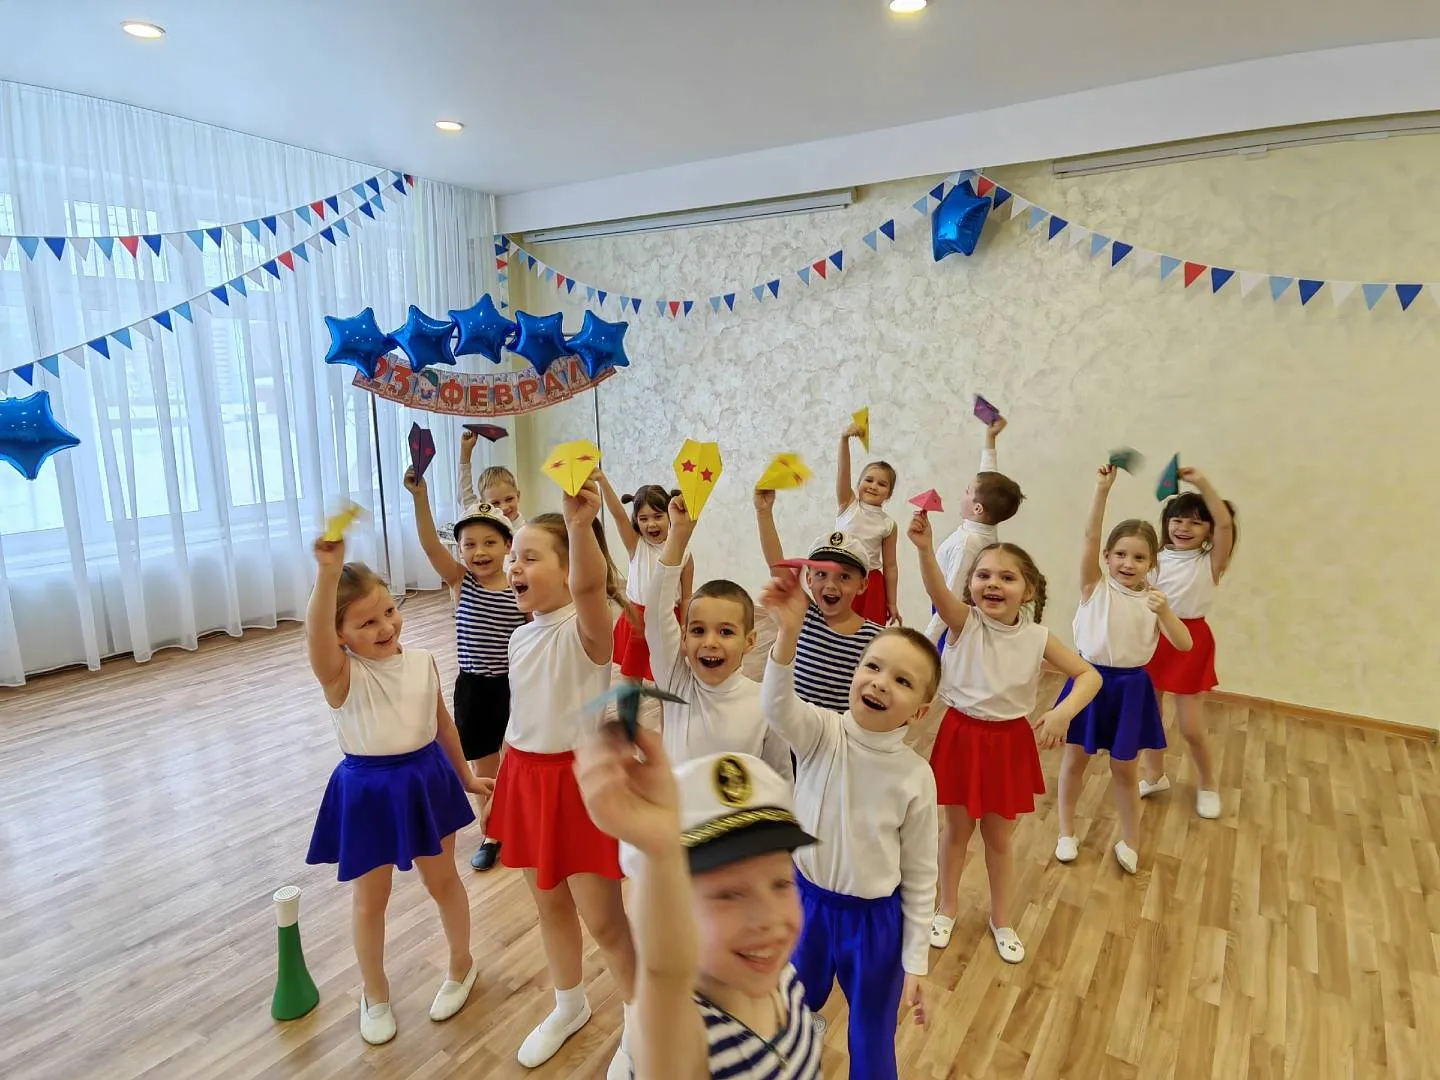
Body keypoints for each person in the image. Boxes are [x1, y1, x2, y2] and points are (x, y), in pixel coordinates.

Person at [303, 541, 491, 1045]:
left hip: (427, 779)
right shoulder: (340, 675)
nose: (385, 627)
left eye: (389, 611)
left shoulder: (423, 661)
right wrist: (327, 575)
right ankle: (375, 992)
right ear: (339, 636)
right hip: (367, 791)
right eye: (366, 623)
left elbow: (442, 723)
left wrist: (466, 776)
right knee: (371, 899)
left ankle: (462, 964)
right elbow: (315, 637)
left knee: (443, 881)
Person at [483, 481, 638, 1076]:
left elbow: (591, 587)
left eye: (529, 557)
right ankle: (569, 1004)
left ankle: (641, 1024)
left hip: (576, 786)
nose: (513, 567)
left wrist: (577, 526)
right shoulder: (520, 635)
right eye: (512, 558)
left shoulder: (586, 630)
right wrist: (501, 778)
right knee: (548, 903)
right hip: (526, 778)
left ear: (569, 569)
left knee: (604, 920)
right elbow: (521, 716)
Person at [758, 569, 937, 1080]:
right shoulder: (821, 732)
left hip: (874, 924)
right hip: (807, 905)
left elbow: (921, 874)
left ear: (919, 711)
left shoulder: (915, 777)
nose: (880, 682)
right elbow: (776, 706)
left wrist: (916, 960)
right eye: (873, 666)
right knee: (789, 1011)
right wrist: (787, 633)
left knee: (871, 1037)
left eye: (902, 681)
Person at [575, 737, 823, 1080]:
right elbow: (663, 973)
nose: (768, 917)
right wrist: (660, 848)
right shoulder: (688, 1041)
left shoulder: (784, 977)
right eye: (728, 895)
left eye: (781, 884)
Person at [910, 521, 1100, 961]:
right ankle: (946, 907)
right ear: (970, 585)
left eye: (1006, 577)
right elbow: (938, 590)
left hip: (1009, 743)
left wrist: (1063, 712)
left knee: (999, 838)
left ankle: (1001, 919)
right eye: (983, 575)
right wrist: (924, 549)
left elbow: (1089, 676)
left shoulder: (1037, 637)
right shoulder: (963, 622)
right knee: (956, 831)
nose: (993, 583)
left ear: (1028, 591)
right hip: (962, 736)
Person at [1054, 465, 1193, 875]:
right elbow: (1089, 536)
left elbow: (1184, 644)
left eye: (1139, 557)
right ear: (1106, 557)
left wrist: (1165, 611)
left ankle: (1131, 840)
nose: (1128, 563)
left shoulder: (1154, 600)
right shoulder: (1093, 587)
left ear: (1151, 562)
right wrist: (1102, 489)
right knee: (1074, 762)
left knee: (1124, 770)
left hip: (1131, 688)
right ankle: (1066, 831)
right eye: (1120, 554)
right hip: (1088, 681)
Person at [404, 467, 527, 871]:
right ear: (459, 551)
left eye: (490, 542)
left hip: (514, 687)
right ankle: (491, 832)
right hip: (474, 690)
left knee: (516, 759)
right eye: (469, 544)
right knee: (483, 766)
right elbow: (428, 545)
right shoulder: (462, 581)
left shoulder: (520, 586)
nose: (479, 551)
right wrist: (420, 498)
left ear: (508, 544)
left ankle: (517, 817)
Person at [644, 493, 792, 779]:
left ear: (750, 641)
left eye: (725, 632)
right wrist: (678, 534)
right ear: (684, 637)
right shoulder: (677, 682)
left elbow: (780, 778)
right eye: (698, 630)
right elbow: (656, 615)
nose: (710, 642)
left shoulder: (765, 704)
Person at [1139, 468, 1237, 820]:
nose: (1183, 528)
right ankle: (1154, 775)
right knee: (1148, 716)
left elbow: (1225, 524)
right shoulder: (1153, 558)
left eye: (1195, 523)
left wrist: (1201, 483)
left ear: (1209, 530)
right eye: (1178, 520)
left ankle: (1208, 784)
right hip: (1151, 639)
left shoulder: (1210, 561)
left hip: (1190, 642)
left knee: (1191, 727)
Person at [755, 490, 882, 712]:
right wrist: (763, 513)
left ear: (862, 585)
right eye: (822, 574)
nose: (831, 585)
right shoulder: (804, 614)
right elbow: (777, 565)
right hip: (793, 724)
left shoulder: (875, 637)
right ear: (808, 579)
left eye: (844, 577)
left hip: (837, 731)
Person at [923, 416, 1024, 646]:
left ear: (978, 508)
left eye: (967, 491)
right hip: (957, 614)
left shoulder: (967, 545)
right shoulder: (987, 524)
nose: (963, 493)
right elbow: (989, 481)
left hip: (951, 622)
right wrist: (990, 439)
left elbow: (950, 598)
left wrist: (926, 642)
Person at [599, 473, 694, 683]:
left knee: (666, 681)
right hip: (636, 620)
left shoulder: (684, 554)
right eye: (643, 518)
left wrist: (686, 630)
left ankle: (665, 706)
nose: (651, 524)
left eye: (658, 516)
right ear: (636, 520)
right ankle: (629, 708)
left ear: (670, 515)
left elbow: (687, 597)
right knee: (631, 680)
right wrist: (602, 481)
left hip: (667, 621)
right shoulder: (636, 545)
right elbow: (618, 514)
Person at [835, 420, 900, 625]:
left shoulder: (888, 524)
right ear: (858, 483)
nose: (873, 486)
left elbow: (890, 566)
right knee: (837, 626)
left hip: (871, 583)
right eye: (869, 480)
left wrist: (892, 602)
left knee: (867, 633)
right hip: (840, 576)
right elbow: (842, 471)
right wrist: (844, 439)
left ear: (889, 494)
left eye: (882, 484)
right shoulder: (848, 505)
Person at [458, 431, 525, 527]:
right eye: (495, 503)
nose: (504, 507)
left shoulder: (524, 529)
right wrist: (465, 452)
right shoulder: (483, 514)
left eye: (509, 499)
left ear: (518, 496)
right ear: (483, 504)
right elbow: (464, 496)